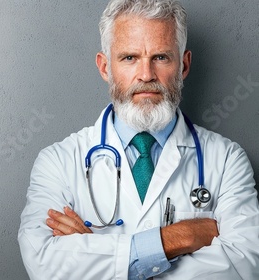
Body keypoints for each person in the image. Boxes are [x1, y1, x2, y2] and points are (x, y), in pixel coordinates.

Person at [17, 0, 259, 279]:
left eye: (161, 57)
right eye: (129, 58)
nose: (146, 75)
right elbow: (44, 261)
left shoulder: (227, 159)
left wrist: (97, 254)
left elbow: (244, 265)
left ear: (183, 65)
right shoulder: (58, 161)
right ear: (105, 67)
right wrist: (177, 239)